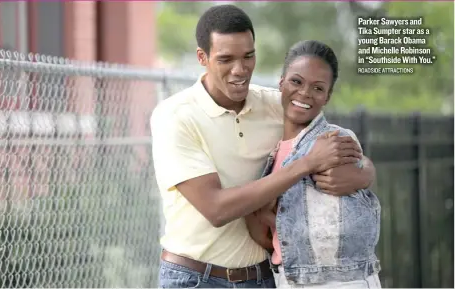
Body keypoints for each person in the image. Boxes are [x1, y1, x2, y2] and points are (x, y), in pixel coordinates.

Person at [150, 4, 376, 289]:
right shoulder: (175, 117)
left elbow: (332, 146)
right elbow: (216, 209)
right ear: (202, 57)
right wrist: (304, 165)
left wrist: (364, 172)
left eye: (248, 56)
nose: (240, 70)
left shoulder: (276, 104)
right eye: (225, 59)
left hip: (265, 277)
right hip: (196, 278)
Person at [252, 40, 382, 288]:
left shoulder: (333, 140)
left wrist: (365, 170)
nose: (304, 93)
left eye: (318, 88)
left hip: (338, 280)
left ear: (327, 97)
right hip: (287, 278)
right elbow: (282, 225)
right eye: (296, 81)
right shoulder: (272, 150)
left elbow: (332, 222)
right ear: (281, 82)